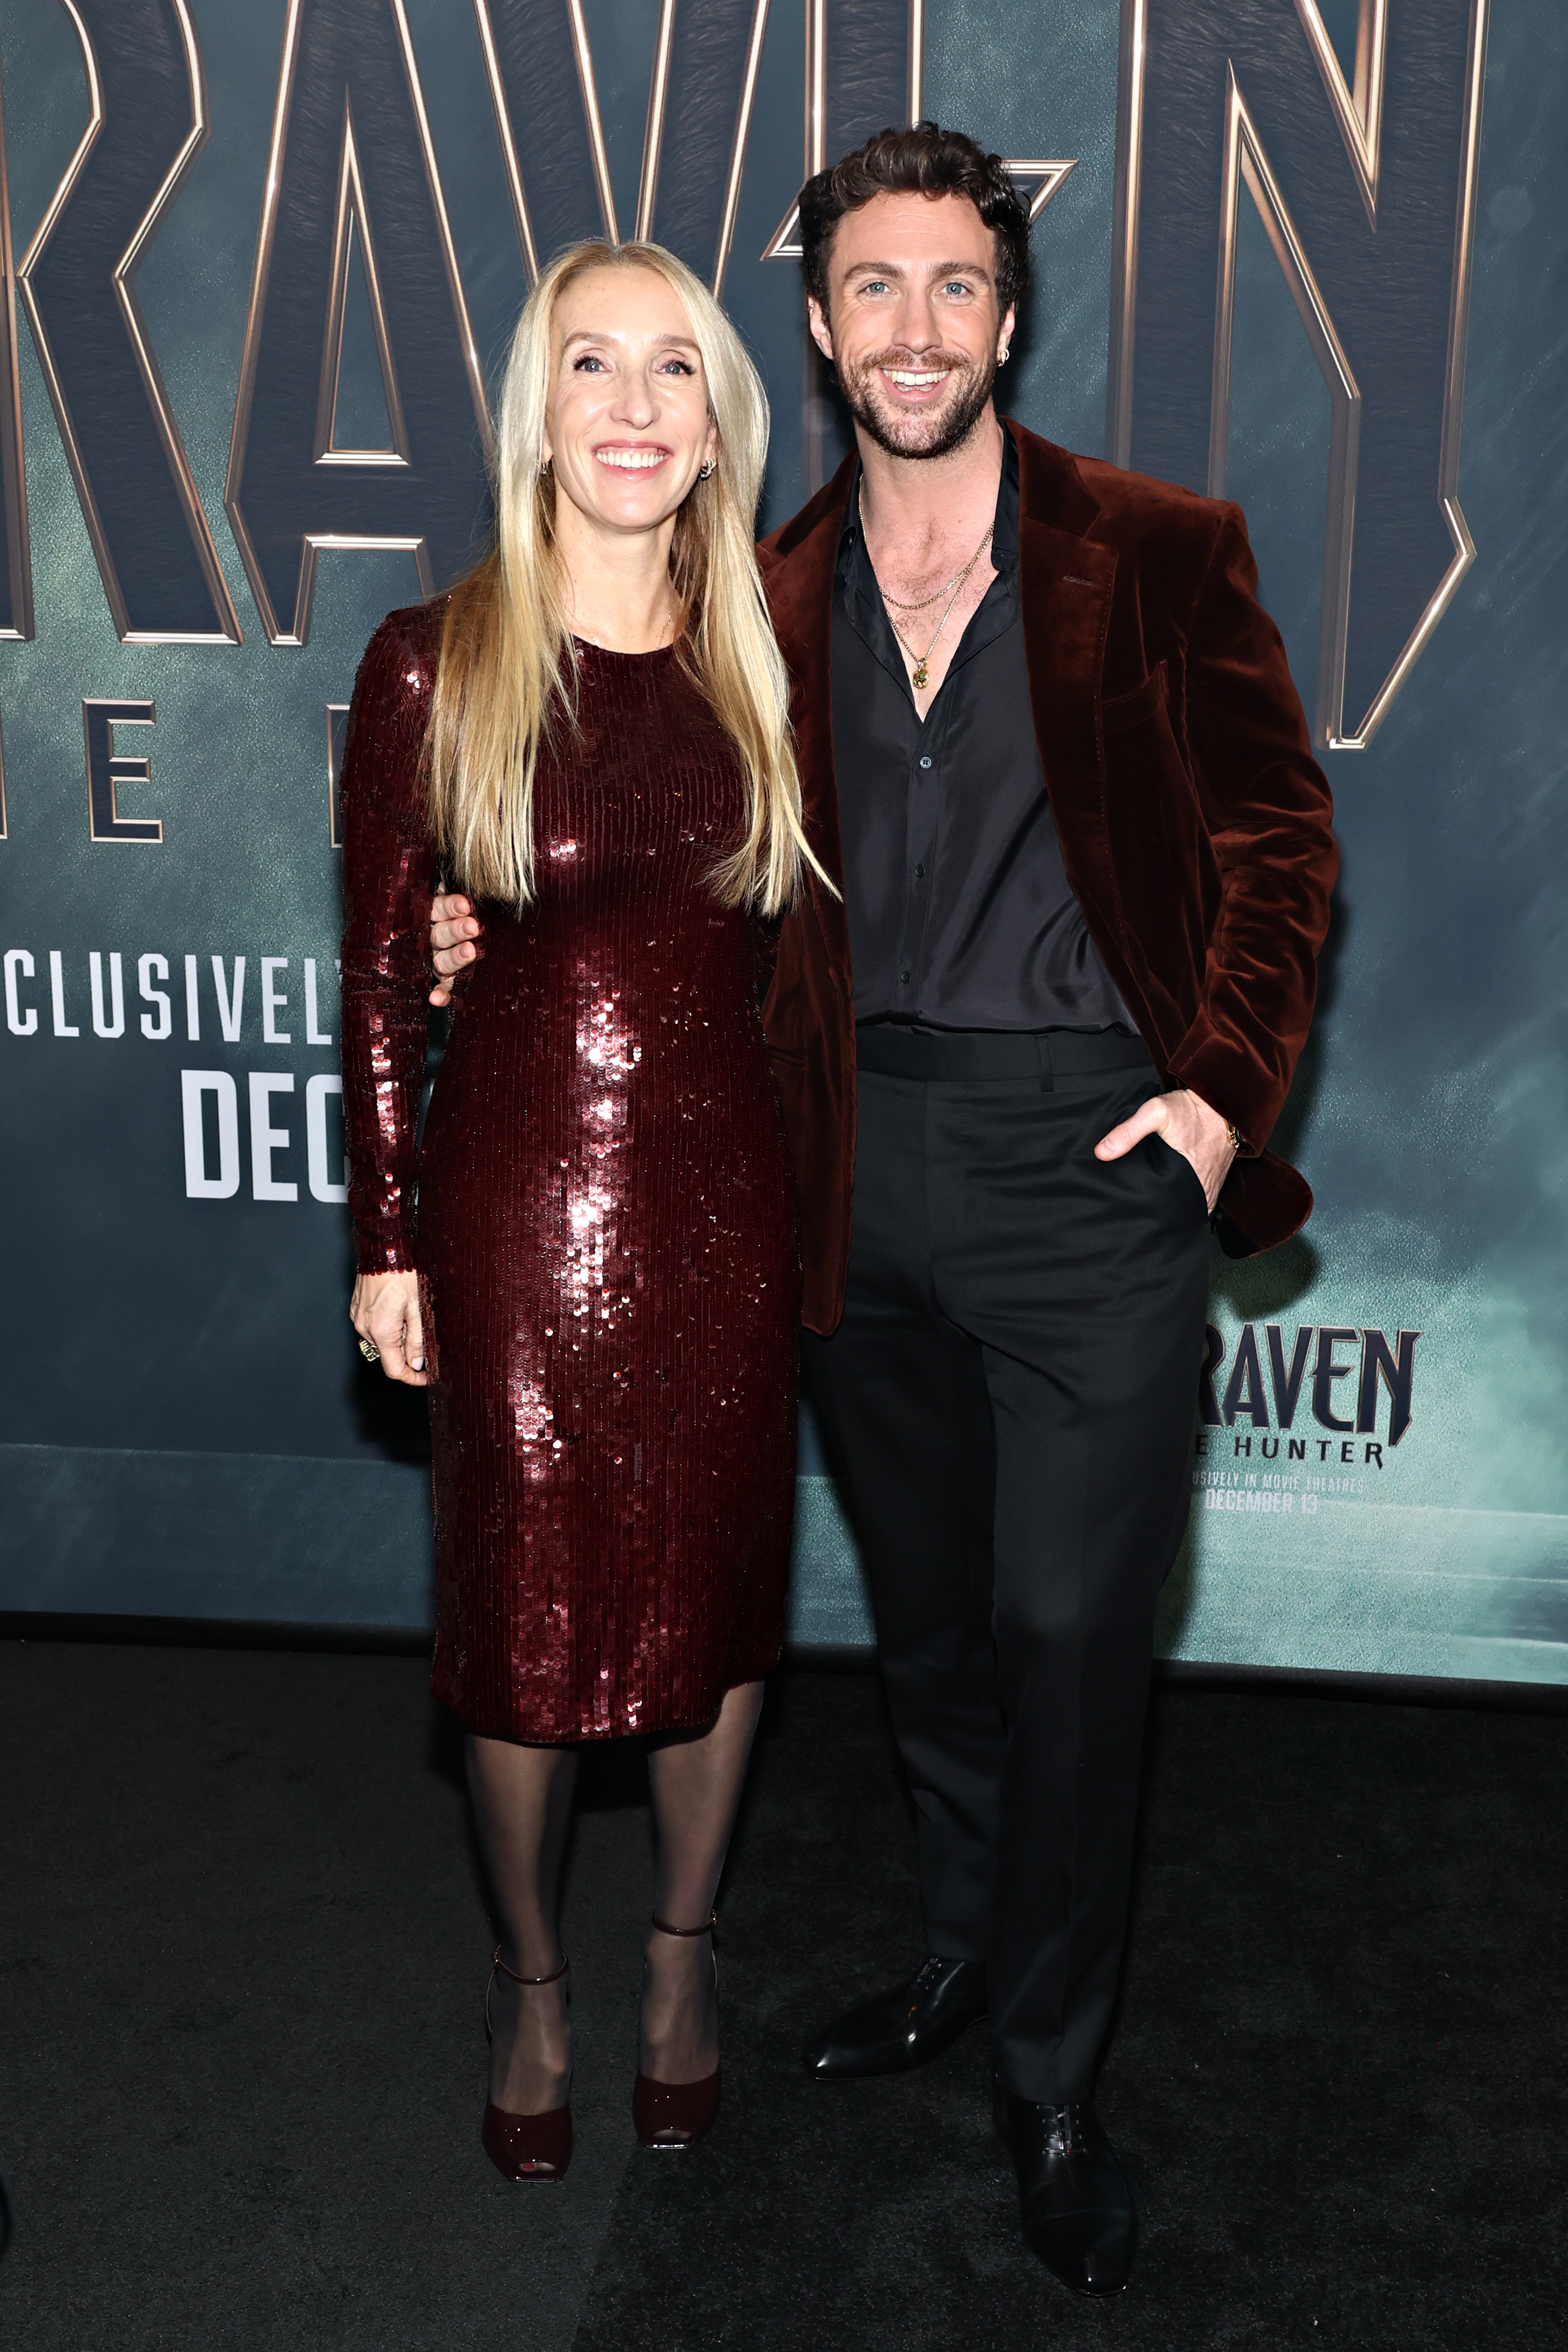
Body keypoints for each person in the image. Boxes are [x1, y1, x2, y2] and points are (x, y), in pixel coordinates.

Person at [430, 125, 1338, 2291]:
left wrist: (1214, 1104)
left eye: (956, 286)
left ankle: (1050, 2076)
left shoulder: (1160, 550)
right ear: (818, 332)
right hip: (841, 1172)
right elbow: (659, 871)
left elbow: (1281, 847)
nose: (915, 327)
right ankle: (954, 1956)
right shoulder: (774, 592)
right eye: (872, 289)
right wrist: (497, 946)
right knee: (926, 1635)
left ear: (1007, 318)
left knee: (1066, 1633)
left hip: (1094, 1165)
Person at [342, 236, 820, 2185]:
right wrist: (385, 1235)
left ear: (718, 419)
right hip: (513, 1208)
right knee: (520, 1640)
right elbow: (380, 974)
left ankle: (677, 1965)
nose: (633, 408)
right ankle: (533, 1980)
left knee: (714, 1619)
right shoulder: (432, 660)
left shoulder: (774, 646)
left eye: (674, 372)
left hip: (725, 1201)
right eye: (592, 366)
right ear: (536, 406)